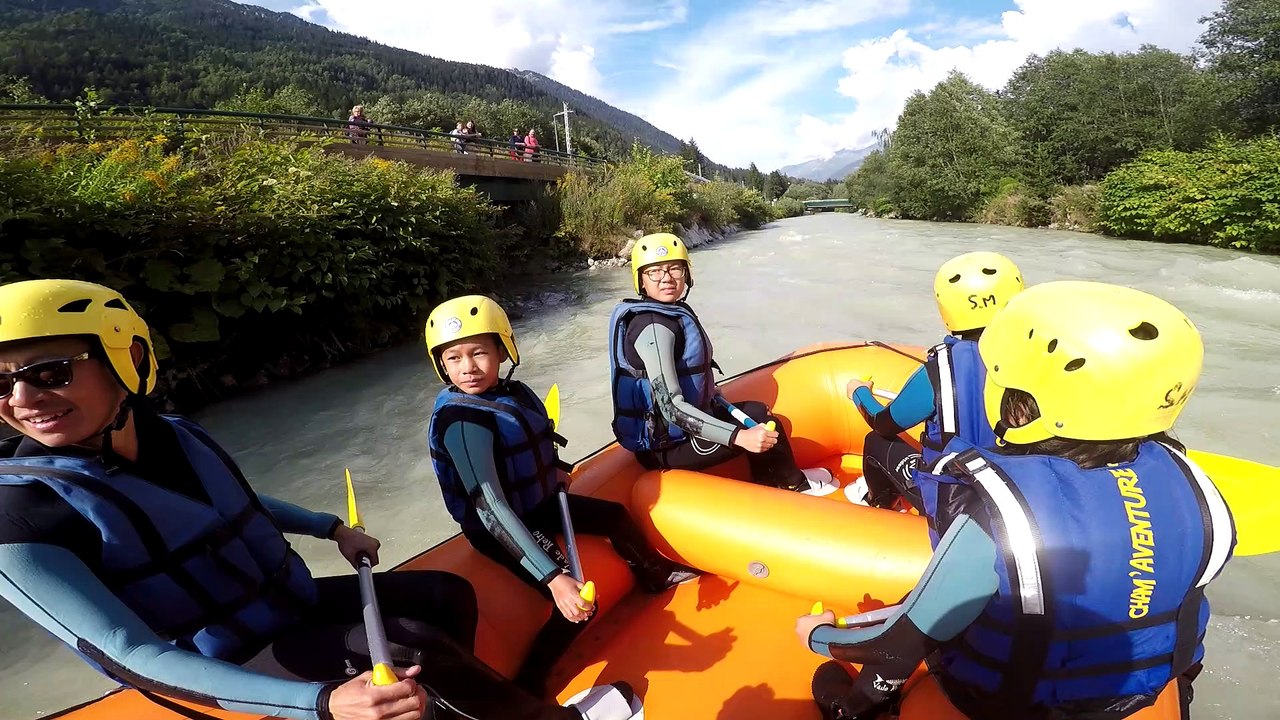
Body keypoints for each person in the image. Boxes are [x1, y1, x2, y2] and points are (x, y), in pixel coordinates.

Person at [0, 279, 637, 720]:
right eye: (1, 383)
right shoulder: (23, 516)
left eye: (50, 371)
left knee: (446, 594)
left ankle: (455, 705)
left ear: (125, 357)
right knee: (411, 644)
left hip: (286, 603)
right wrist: (325, 703)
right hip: (228, 654)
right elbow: (130, 656)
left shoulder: (172, 435)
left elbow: (238, 507)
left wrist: (330, 528)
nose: (22, 401)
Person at [796, 281, 1236, 720]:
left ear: (1023, 404)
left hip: (1006, 699)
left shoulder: (997, 509)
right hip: (1133, 695)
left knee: (859, 671)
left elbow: (896, 647)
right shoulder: (1194, 484)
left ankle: (852, 709)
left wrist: (820, 636)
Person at [425, 294, 696, 699]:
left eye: (478, 353)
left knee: (615, 517)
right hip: (500, 526)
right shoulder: (464, 419)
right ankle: (528, 683)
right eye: (454, 358)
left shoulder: (509, 393)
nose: (468, 368)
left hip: (536, 500)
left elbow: (534, 438)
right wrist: (554, 580)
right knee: (578, 607)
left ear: (502, 349)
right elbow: (491, 508)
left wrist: (554, 467)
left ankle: (654, 574)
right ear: (441, 364)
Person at [608, 233, 834, 493]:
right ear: (641, 281)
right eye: (655, 272)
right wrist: (739, 437)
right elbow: (671, 409)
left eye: (674, 269)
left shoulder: (668, 314)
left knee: (760, 414)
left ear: (687, 274)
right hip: (666, 447)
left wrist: (709, 392)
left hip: (680, 430)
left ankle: (773, 482)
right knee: (761, 429)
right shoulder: (653, 327)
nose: (667, 278)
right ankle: (797, 486)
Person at [848, 251, 1023, 508]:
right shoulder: (1047, 357)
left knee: (876, 441)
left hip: (956, 499)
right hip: (1023, 488)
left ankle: (879, 503)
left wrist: (859, 393)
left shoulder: (940, 370)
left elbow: (883, 424)